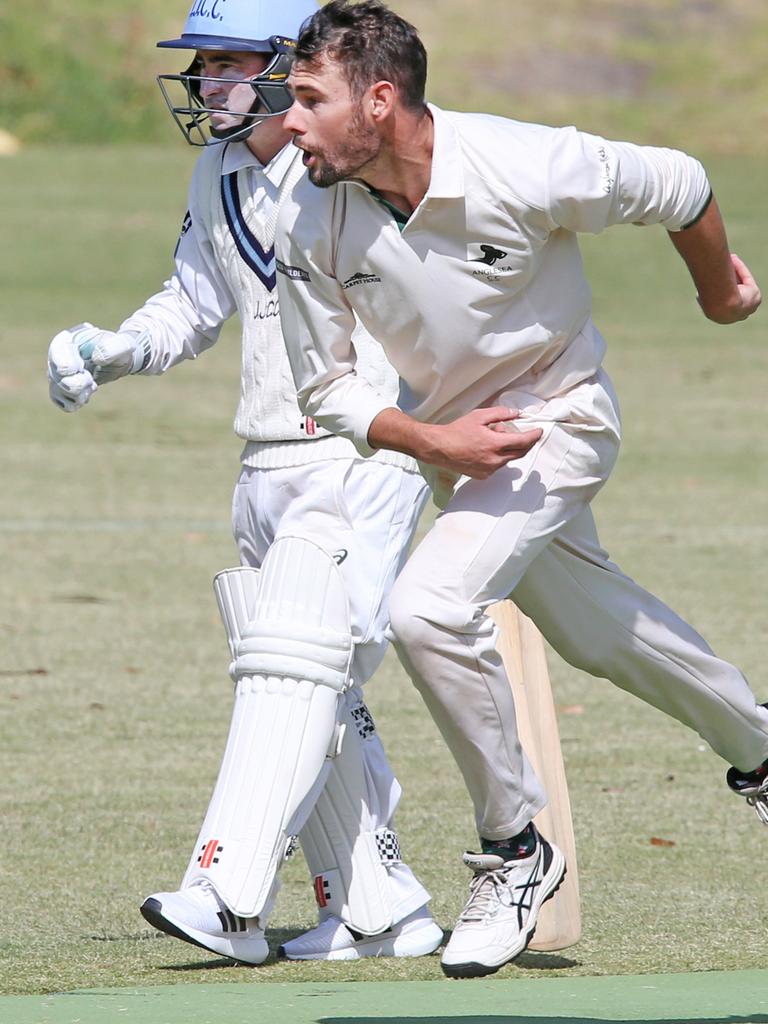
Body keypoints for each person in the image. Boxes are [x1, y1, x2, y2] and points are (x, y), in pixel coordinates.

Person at [274, 0, 764, 979]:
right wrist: (429, 437)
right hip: (463, 450)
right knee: (601, 633)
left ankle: (514, 849)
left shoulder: (525, 162)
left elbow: (684, 185)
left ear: (380, 98)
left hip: (562, 416)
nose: (289, 121)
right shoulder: (308, 208)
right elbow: (325, 384)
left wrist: (719, 293)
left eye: (308, 98)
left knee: (426, 607)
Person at [45, 0, 443, 966]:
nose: (206, 83)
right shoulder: (216, 167)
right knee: (311, 683)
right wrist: (117, 345)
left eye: (227, 62)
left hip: (361, 454)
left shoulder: (350, 169)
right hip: (262, 457)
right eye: (201, 64)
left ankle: (225, 893)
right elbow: (194, 301)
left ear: (287, 65)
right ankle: (381, 906)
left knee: (295, 671)